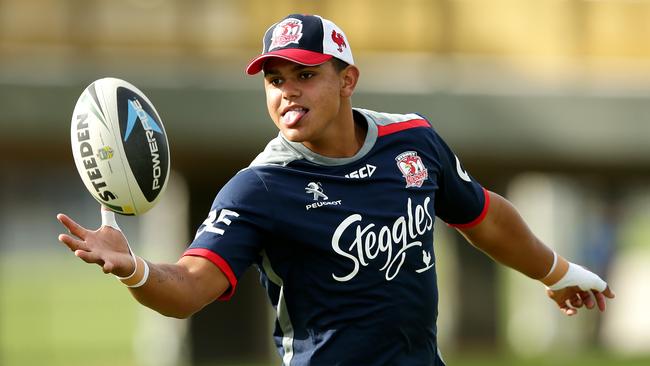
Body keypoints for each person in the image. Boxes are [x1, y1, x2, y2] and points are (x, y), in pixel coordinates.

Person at [57, 13, 615, 366]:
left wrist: (557, 272)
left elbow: (483, 215)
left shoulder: (413, 140)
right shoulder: (260, 187)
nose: (287, 93)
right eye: (275, 80)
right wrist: (134, 269)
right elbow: (189, 288)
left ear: (347, 79)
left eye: (305, 75)